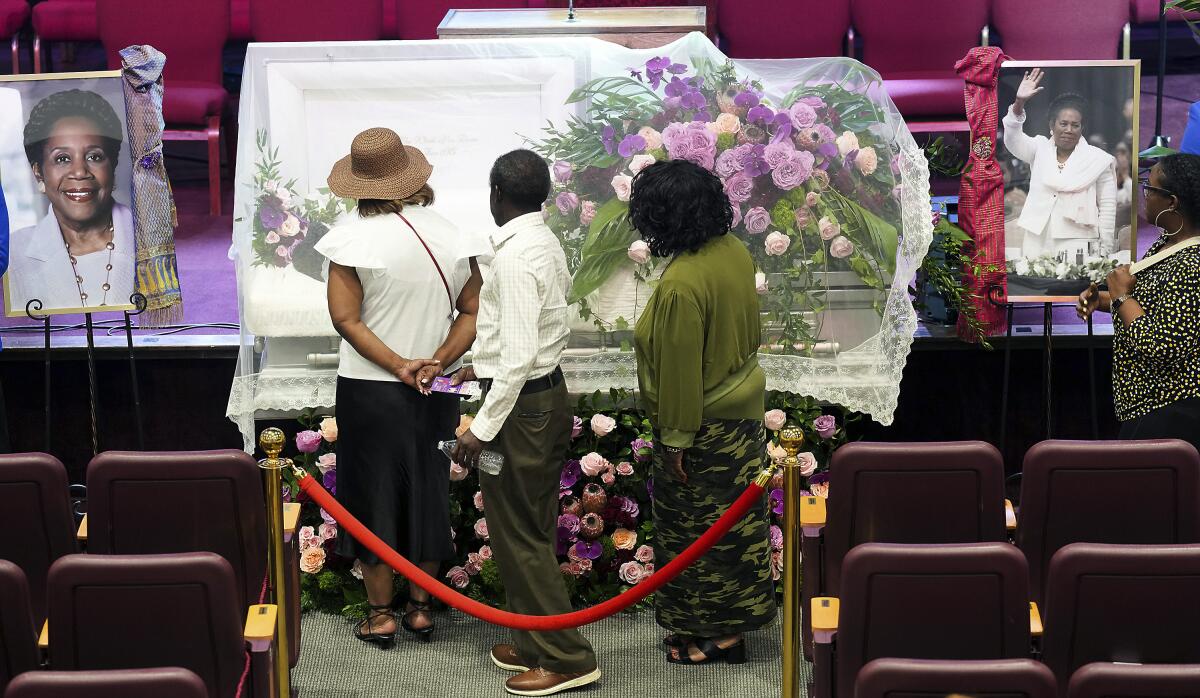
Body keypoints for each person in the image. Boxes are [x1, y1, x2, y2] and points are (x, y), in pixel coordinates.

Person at [317, 127, 485, 647]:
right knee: (429, 489)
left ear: (361, 184)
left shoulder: (350, 238)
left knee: (373, 496)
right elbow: (473, 311)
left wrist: (398, 365)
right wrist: (433, 362)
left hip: (370, 389)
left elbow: (346, 319)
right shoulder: (453, 233)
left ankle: (381, 612)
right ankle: (420, 608)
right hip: (436, 387)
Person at [450, 149, 600, 696]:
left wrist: (478, 431)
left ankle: (567, 657)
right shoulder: (543, 240)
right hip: (540, 397)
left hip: (519, 410)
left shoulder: (514, 258)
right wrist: (479, 362)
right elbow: (526, 338)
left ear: (496, 195)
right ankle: (536, 636)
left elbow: (516, 359)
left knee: (520, 535)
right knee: (528, 526)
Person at [628, 159, 775, 665]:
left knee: (698, 532)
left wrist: (674, 442)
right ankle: (725, 627)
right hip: (741, 414)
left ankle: (718, 635)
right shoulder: (731, 250)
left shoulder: (682, 283)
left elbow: (680, 374)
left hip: (702, 426)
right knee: (736, 530)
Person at [1078, 154, 1200, 452]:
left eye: (1150, 187)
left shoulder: (1192, 264)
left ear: (1172, 202)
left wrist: (1121, 296)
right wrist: (1104, 300)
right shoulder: (1167, 242)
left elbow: (1161, 347)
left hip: (1173, 410)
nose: (1144, 194)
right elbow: (1149, 304)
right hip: (1150, 406)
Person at [9, 89, 134, 313]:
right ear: (39, 173)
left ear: (112, 167)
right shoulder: (15, 252)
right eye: (62, 158)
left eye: (94, 156)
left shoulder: (146, 240)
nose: (79, 172)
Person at [1004, 69, 1117, 260]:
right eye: (1063, 124)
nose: (1069, 130)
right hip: (1037, 236)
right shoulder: (1038, 148)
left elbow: (1107, 207)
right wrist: (1019, 103)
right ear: (1052, 124)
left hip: (1077, 239)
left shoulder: (1098, 159)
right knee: (1032, 287)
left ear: (1083, 128)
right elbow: (1013, 139)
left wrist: (1104, 249)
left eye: (1075, 125)